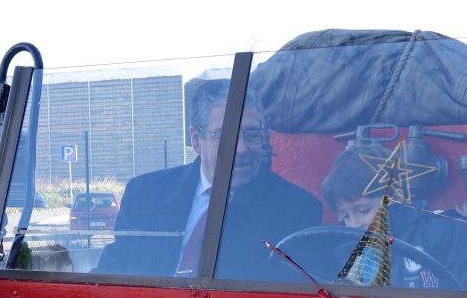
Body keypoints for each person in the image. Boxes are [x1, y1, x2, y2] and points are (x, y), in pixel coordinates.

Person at [95, 79, 322, 279]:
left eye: (252, 134)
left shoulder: (298, 210)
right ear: (196, 139)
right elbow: (110, 276)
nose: (241, 149)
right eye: (225, 135)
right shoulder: (145, 194)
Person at [319, 143, 467, 289]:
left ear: (396, 198)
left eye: (363, 210)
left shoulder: (445, 233)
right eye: (345, 215)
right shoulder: (346, 250)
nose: (354, 225)